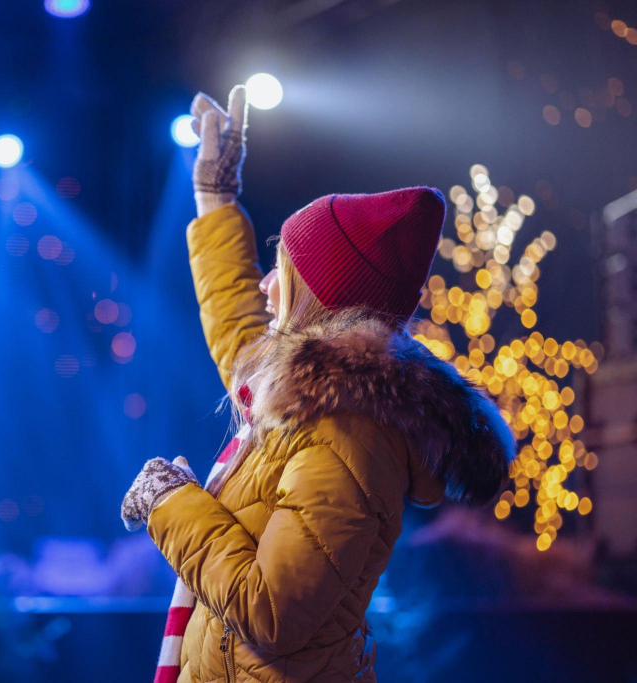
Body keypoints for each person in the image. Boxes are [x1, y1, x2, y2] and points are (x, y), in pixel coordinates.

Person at [121, 85, 516, 683]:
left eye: (282, 271)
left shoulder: (346, 434)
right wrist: (215, 199)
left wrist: (172, 503)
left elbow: (273, 612)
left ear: (318, 300)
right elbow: (238, 328)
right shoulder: (311, 395)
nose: (266, 286)